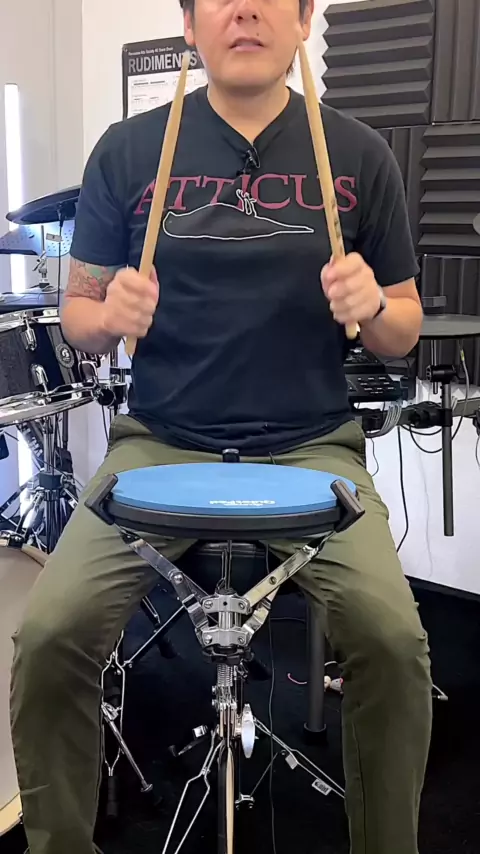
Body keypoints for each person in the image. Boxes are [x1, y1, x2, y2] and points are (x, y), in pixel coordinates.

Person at [10, 1, 432, 853]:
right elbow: (80, 318)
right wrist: (107, 314)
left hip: (312, 445)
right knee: (50, 635)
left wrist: (376, 305)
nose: (244, 9)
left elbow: (405, 326)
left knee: (393, 643)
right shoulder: (129, 150)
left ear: (304, 19)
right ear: (191, 24)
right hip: (158, 440)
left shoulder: (359, 153)